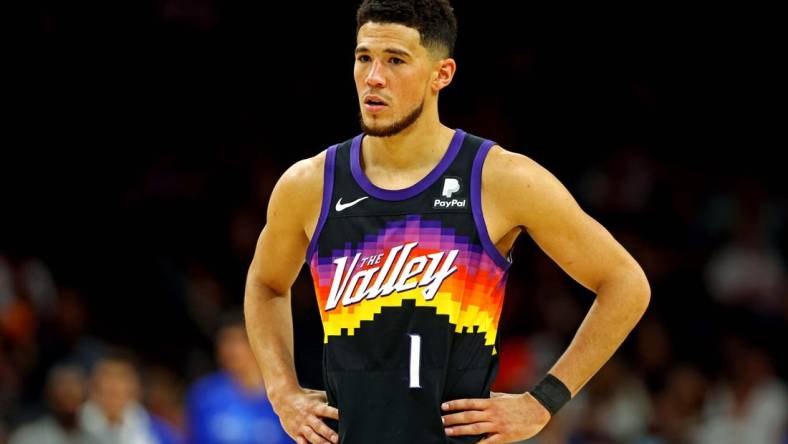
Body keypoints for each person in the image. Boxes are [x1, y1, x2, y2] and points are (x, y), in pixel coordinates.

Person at [243, 1, 651, 443]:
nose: (373, 77)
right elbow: (266, 284)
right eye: (364, 58)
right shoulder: (310, 184)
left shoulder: (501, 178)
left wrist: (542, 402)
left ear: (443, 74)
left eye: (396, 60)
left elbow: (625, 283)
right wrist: (281, 391)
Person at [185, 312, 292, 444]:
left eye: (235, 341)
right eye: (223, 342)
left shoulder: (289, 396)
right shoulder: (204, 394)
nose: (228, 350)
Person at [8, 363, 102, 444]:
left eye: (74, 392)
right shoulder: (27, 437)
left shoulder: (94, 440)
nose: (69, 394)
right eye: (63, 392)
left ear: (85, 398)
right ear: (49, 396)